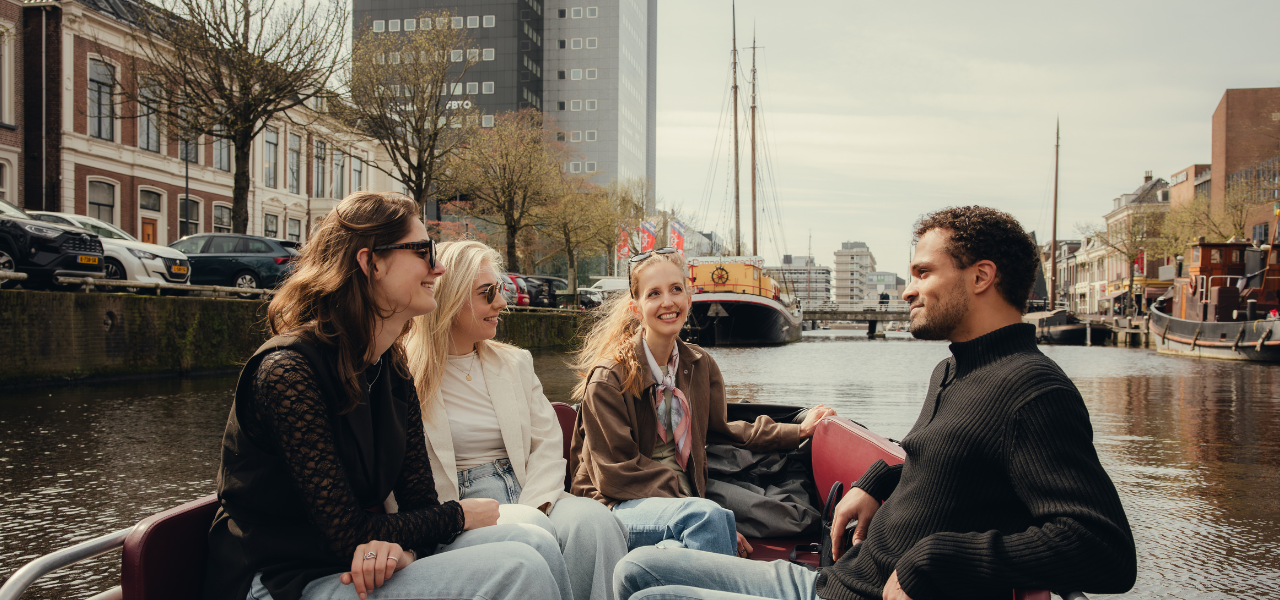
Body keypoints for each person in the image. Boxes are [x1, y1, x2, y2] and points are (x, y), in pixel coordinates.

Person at [615, 207, 1136, 600]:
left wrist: (933, 560)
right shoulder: (952, 370)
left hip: (858, 594)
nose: (907, 291)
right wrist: (878, 481)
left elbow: (1103, 549)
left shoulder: (1034, 392)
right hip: (833, 580)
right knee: (636, 570)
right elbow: (947, 462)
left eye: (923, 273)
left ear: (981, 277)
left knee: (651, 597)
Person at [203, 193, 568, 600]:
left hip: (366, 562)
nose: (438, 267)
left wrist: (406, 549)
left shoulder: (390, 368)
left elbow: (419, 505)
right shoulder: (288, 373)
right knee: (520, 567)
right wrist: (459, 515)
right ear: (371, 263)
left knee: (534, 542)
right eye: (423, 252)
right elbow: (346, 533)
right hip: (281, 579)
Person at [568, 247, 836, 558]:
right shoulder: (609, 379)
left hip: (686, 492)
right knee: (706, 524)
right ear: (636, 308)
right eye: (654, 294)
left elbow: (723, 430)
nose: (668, 302)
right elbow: (616, 474)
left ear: (689, 297)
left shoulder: (699, 364)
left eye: (676, 289)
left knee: (786, 516)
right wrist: (697, 508)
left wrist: (797, 431)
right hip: (615, 502)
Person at [404, 240, 629, 600]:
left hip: (530, 488)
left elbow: (546, 443)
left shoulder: (515, 362)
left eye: (500, 290)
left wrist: (535, 505)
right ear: (451, 298)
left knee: (596, 524)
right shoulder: (404, 374)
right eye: (487, 293)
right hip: (463, 506)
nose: (501, 303)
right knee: (534, 532)